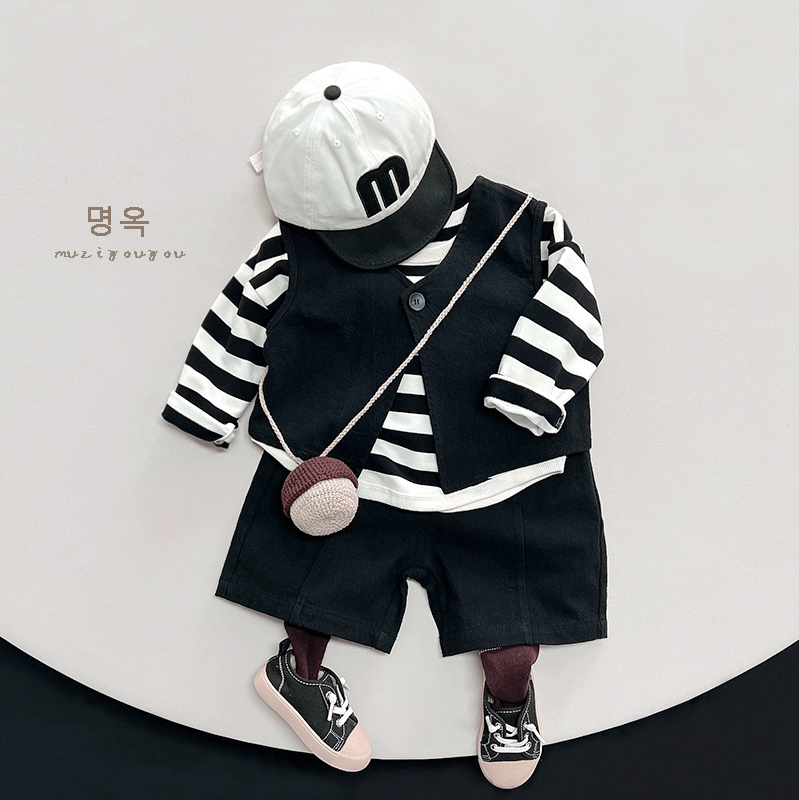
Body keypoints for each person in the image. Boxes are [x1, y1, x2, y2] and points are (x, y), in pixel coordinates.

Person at [162, 61, 606, 790]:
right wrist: (207, 407)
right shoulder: (292, 246)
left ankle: (510, 699)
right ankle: (298, 677)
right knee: (313, 596)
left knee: (512, 621)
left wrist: (530, 387)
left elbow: (573, 293)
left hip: (504, 475)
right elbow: (242, 309)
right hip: (349, 480)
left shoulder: (524, 225)